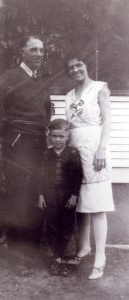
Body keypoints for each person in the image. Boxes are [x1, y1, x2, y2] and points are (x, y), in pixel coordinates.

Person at [0, 34, 51, 248]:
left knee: (36, 191)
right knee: (18, 193)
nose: (39, 54)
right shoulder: (9, 77)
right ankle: (17, 251)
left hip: (38, 143)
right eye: (34, 49)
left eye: (41, 50)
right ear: (22, 52)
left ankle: (31, 248)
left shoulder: (40, 80)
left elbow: (47, 112)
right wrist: (8, 137)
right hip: (17, 143)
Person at [65, 54, 115, 279]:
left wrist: (102, 149)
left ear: (86, 66)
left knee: (97, 205)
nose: (76, 70)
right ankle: (84, 247)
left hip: (95, 151)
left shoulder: (99, 88)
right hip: (75, 152)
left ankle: (100, 257)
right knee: (80, 203)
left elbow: (107, 120)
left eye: (79, 65)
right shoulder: (68, 96)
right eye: (71, 67)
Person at [38, 118, 82, 276]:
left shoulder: (73, 153)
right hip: (50, 195)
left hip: (67, 197)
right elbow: (40, 176)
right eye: (54, 136)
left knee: (67, 227)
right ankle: (55, 260)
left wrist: (74, 195)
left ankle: (66, 260)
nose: (57, 139)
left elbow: (78, 176)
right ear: (49, 136)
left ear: (67, 136)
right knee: (52, 226)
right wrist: (41, 195)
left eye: (61, 136)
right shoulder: (46, 154)